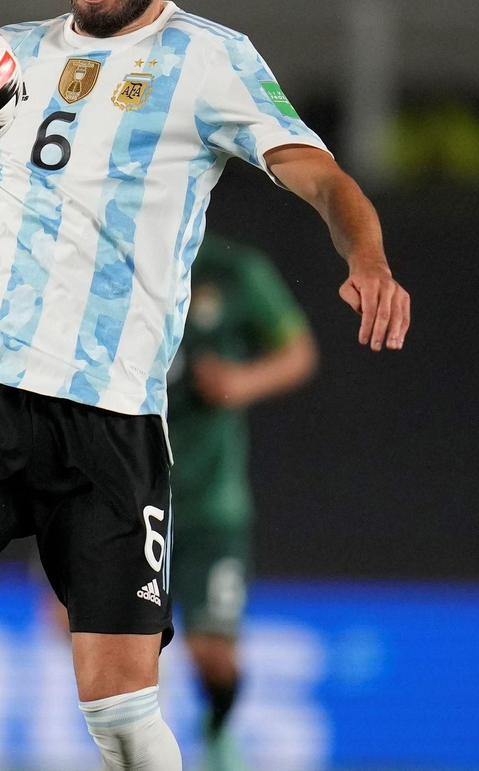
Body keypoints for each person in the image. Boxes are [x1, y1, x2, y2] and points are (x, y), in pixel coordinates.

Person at [0, 0, 411, 771]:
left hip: (109, 420)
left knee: (123, 722)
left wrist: (369, 255)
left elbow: (319, 175)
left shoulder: (212, 61)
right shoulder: (6, 58)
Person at [166, 236, 317, 770]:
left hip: (211, 508)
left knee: (213, 654)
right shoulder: (119, 259)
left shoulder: (233, 272)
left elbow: (298, 351)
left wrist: (242, 381)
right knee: (126, 657)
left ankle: (218, 727)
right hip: (135, 504)